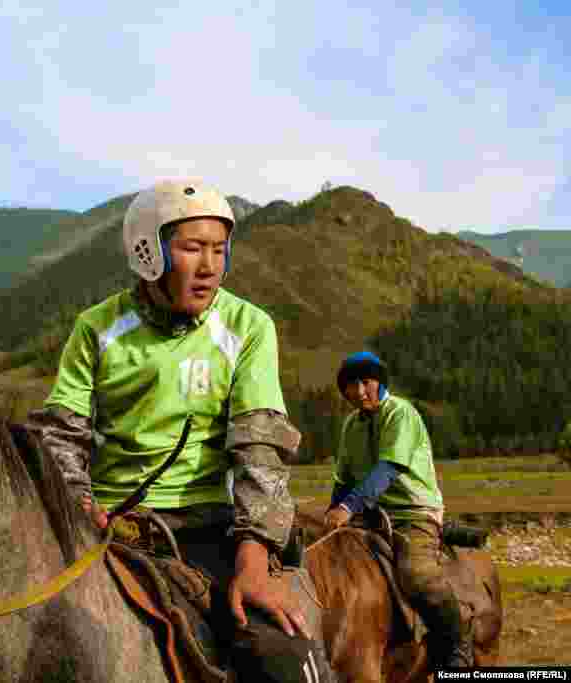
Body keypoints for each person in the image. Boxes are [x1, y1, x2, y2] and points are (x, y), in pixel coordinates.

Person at [27, 180, 335, 683]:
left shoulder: (248, 326)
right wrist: (79, 505)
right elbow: (61, 435)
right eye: (192, 248)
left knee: (283, 655)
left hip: (207, 529)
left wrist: (254, 559)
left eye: (219, 249)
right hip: (106, 527)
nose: (209, 265)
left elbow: (260, 448)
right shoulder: (96, 328)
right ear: (147, 252)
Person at [325, 351, 473, 668]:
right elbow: (344, 478)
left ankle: (457, 643)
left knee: (416, 575)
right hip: (370, 515)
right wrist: (332, 511)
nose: (359, 391)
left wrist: (347, 507)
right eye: (351, 385)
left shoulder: (400, 413)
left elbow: (388, 468)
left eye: (366, 382)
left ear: (379, 383)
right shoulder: (351, 424)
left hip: (411, 513)